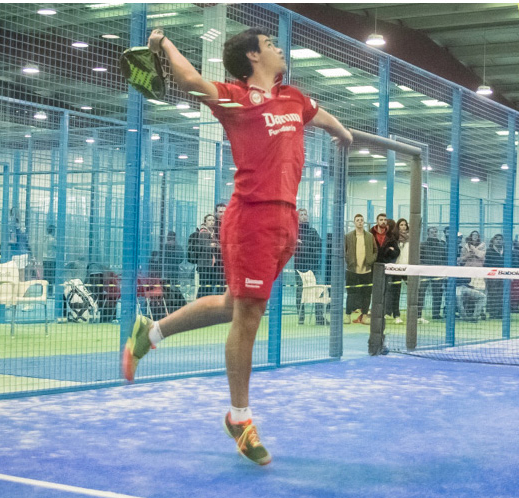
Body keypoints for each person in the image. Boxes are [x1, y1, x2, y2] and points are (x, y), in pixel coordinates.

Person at [122, 27, 352, 466]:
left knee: (234, 305)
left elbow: (319, 115)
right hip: (251, 219)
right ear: (253, 56)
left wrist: (344, 133)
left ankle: (148, 333)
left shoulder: (294, 98)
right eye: (270, 44)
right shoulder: (236, 100)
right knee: (248, 315)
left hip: (287, 221)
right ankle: (240, 419)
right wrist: (163, 44)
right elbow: (191, 82)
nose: (279, 48)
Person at [294, 208, 325, 325]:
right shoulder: (295, 232)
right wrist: (308, 245)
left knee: (320, 288)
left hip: (314, 266)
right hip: (300, 267)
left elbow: (319, 245)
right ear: (297, 218)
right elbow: (297, 248)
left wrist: (305, 244)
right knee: (300, 291)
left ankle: (319, 317)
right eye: (301, 214)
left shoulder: (313, 231)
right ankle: (301, 317)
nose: (304, 216)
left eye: (305, 214)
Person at [345, 213, 377, 325]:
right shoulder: (348, 236)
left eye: (361, 220)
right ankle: (347, 315)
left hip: (366, 270)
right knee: (351, 293)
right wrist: (349, 261)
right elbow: (344, 250)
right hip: (352, 270)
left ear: (364, 222)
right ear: (354, 222)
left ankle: (364, 316)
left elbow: (375, 250)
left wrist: (371, 260)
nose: (360, 222)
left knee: (366, 294)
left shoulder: (369, 236)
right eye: (358, 220)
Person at [417, 226, 446, 322]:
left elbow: (444, 258)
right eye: (432, 232)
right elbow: (419, 258)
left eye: (436, 232)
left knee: (437, 293)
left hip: (437, 272)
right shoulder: (422, 245)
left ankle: (436, 314)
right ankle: (418, 314)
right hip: (425, 272)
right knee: (421, 292)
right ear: (428, 233)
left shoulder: (441, 246)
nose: (434, 233)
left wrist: (442, 270)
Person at [188, 214, 218, 299]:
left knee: (208, 287)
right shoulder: (203, 232)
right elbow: (203, 247)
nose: (211, 222)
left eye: (213, 220)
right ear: (205, 222)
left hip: (211, 264)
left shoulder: (213, 233)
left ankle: (205, 304)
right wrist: (211, 245)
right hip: (204, 264)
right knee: (204, 286)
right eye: (209, 220)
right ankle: (199, 303)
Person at [484, 233, 505, 319]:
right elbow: (486, 264)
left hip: (504, 277)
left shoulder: (506, 251)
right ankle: (493, 313)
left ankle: (501, 313)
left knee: (502, 294)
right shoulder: (489, 251)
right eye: (497, 239)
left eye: (500, 239)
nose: (498, 241)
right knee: (492, 294)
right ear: (493, 240)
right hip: (492, 277)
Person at [42, 225, 56, 297]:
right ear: (52, 231)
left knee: (45, 276)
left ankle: (43, 292)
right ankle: (50, 293)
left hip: (44, 259)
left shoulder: (44, 239)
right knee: (51, 277)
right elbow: (59, 247)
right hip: (51, 259)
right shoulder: (52, 240)